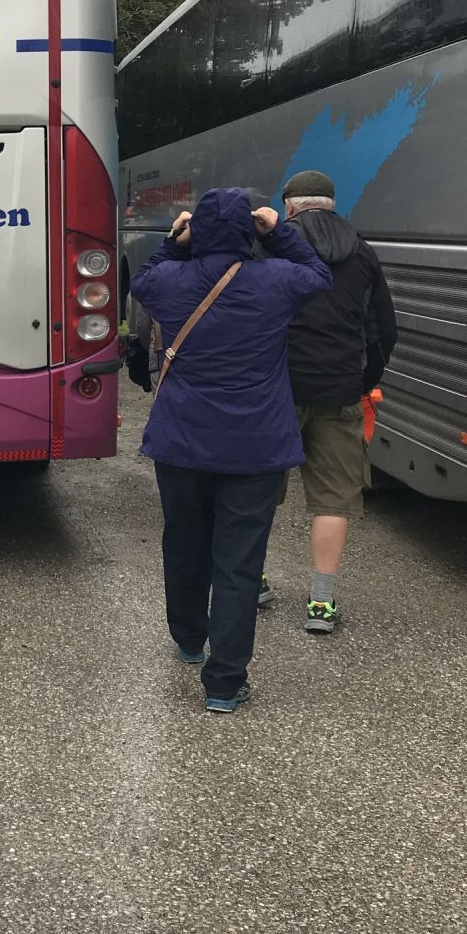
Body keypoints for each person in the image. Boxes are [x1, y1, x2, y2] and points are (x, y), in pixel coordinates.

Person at [130, 188, 332, 713]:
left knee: (185, 543)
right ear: (249, 230)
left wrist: (177, 239)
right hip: (255, 447)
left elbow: (142, 278)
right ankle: (224, 683)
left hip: (181, 442)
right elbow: (318, 273)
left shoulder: (172, 282)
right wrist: (277, 230)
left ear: (198, 229)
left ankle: (190, 639)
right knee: (240, 563)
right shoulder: (276, 281)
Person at [270, 169, 398, 633]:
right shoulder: (363, 253)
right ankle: (321, 603)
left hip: (276, 391)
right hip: (340, 389)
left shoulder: (272, 247)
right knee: (333, 499)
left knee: (259, 487)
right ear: (331, 203)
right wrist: (364, 380)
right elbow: (385, 329)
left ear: (290, 206)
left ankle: (253, 582)